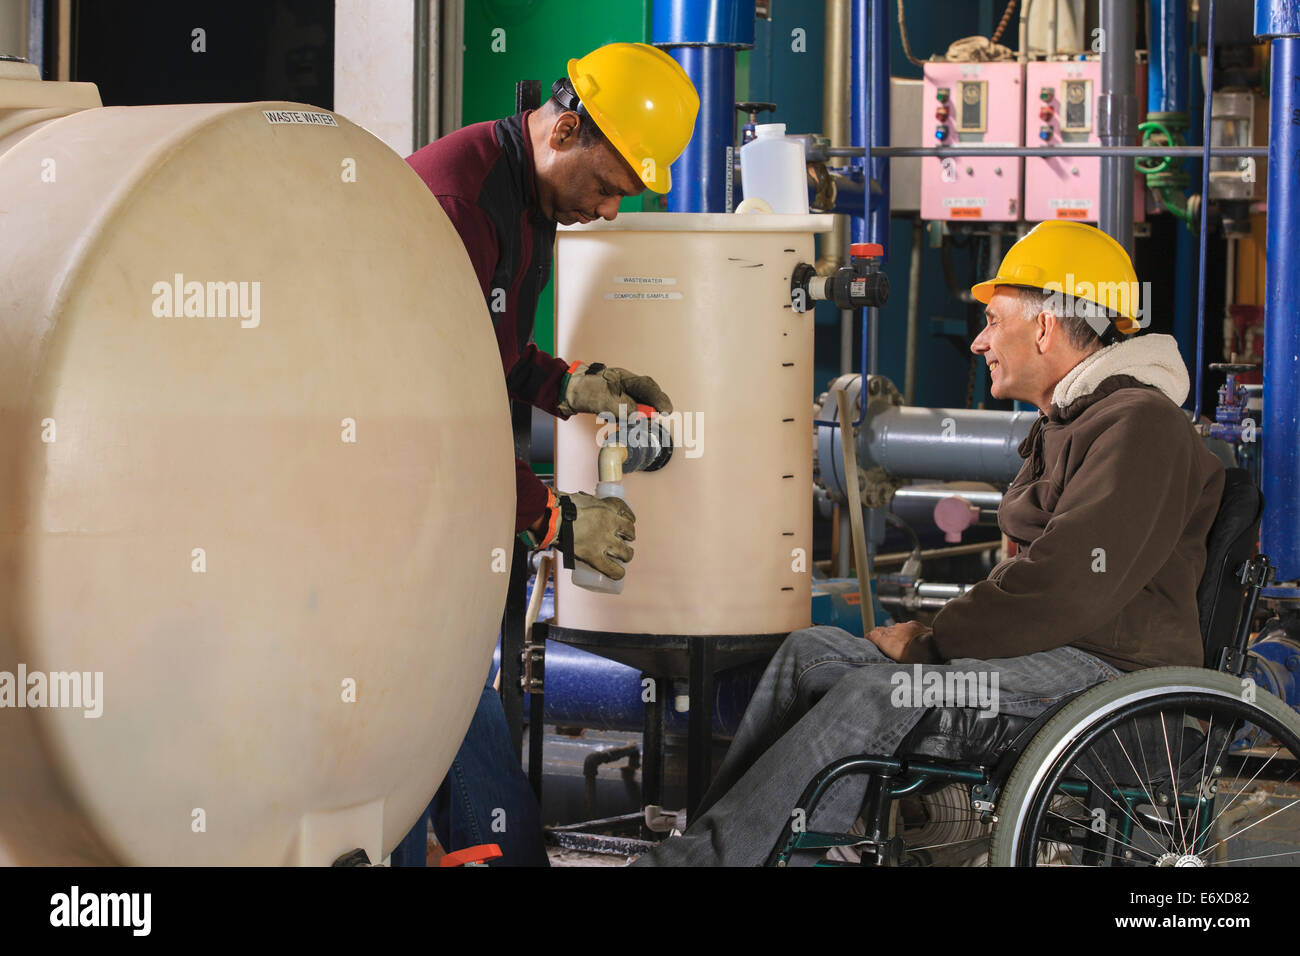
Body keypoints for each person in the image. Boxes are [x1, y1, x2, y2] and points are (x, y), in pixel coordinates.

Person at [636, 220, 1226, 866]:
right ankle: (740, 847)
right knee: (809, 655)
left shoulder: (1139, 425)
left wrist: (934, 639)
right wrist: (937, 638)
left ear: (1045, 327)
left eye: (993, 321)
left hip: (1108, 683)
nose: (979, 342)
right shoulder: (1070, 420)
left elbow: (1067, 583)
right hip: (1048, 661)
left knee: (881, 693)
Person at [391, 42, 700, 866]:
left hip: (449, 522)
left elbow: (486, 357)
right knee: (436, 714)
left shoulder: (525, 198)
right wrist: (555, 514)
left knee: (452, 710)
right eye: (605, 186)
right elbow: (435, 415)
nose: (606, 212)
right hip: (398, 514)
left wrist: (569, 385)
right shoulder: (462, 200)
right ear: (564, 128)